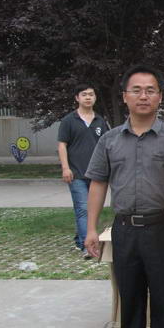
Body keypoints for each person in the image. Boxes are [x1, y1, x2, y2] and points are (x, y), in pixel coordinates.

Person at [84, 65, 164, 328]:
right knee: (130, 300)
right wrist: (90, 229)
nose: (144, 96)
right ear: (125, 97)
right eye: (137, 90)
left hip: (163, 230)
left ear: (160, 97)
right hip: (124, 230)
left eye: (150, 90)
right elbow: (98, 184)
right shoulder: (110, 140)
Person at [57, 84, 109, 259]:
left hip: (96, 174)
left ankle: (81, 237)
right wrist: (65, 168)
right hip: (76, 173)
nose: (88, 97)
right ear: (77, 98)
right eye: (84, 94)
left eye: (91, 94)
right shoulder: (69, 121)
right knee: (82, 208)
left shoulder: (100, 121)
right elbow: (62, 145)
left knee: (92, 209)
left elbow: (106, 145)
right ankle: (87, 246)